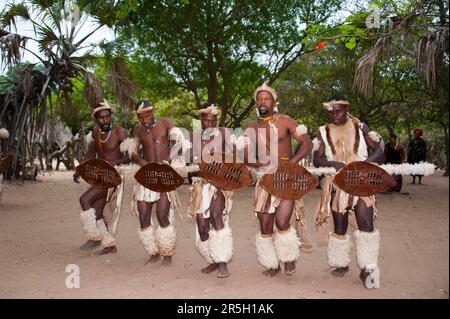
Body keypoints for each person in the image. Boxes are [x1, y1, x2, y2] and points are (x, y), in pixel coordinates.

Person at [312, 94, 384, 289]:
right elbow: (316, 160)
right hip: (337, 183)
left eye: (339, 110)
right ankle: (341, 263)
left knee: (366, 224)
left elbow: (379, 150)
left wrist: (365, 164)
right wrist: (332, 163)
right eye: (331, 111)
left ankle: (368, 270)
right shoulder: (322, 131)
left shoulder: (361, 127)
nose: (334, 114)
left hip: (362, 183)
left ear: (346, 109)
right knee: (340, 227)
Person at [242, 82, 313, 277]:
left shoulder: (286, 121)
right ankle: (271, 264)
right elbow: (246, 155)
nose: (261, 101)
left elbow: (306, 143)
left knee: (282, 222)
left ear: (274, 102)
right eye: (258, 99)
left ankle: (289, 258)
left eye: (266, 98)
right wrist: (258, 164)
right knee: (265, 225)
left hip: (285, 178)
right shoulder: (250, 126)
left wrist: (291, 163)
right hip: (265, 179)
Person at [128, 100, 187, 266]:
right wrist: (141, 161)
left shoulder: (165, 123)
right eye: (141, 117)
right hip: (146, 176)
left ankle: (167, 254)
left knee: (162, 215)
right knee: (143, 214)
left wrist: (167, 159)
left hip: (164, 175)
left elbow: (180, 143)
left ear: (152, 112)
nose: (145, 120)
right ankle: (153, 252)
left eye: (147, 116)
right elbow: (132, 152)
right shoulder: (138, 129)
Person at [73, 99, 129, 255]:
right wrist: (80, 168)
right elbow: (91, 153)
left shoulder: (119, 132)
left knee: (84, 200)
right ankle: (110, 245)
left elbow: (130, 156)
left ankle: (94, 237)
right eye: (101, 117)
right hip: (101, 174)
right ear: (95, 119)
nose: (105, 120)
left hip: (114, 175)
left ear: (110, 116)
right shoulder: (95, 132)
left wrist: (114, 162)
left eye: (107, 116)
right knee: (97, 212)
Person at [186, 103, 234, 278]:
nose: (210, 124)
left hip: (218, 185)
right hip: (200, 185)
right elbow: (188, 162)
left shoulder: (224, 136)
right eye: (207, 121)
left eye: (213, 120)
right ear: (201, 121)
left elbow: (234, 160)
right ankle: (213, 259)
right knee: (202, 228)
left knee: (216, 216)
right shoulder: (192, 137)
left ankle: (222, 263)